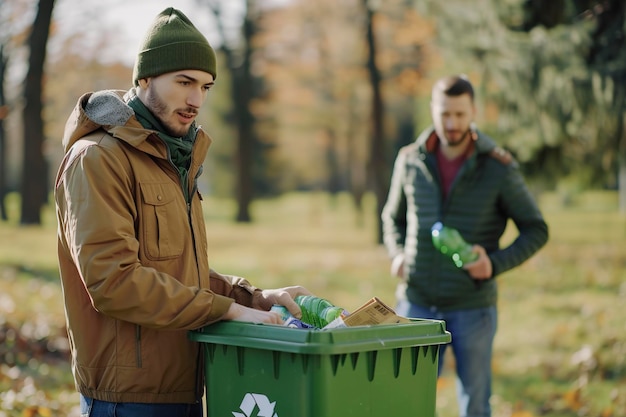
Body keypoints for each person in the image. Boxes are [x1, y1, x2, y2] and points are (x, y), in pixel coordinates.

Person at [54, 8, 311, 417]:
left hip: (186, 388)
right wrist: (226, 309)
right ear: (144, 79)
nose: (197, 100)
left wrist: (254, 299)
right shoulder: (98, 159)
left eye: (206, 86)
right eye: (185, 82)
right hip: (126, 400)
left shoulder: (173, 158)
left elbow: (173, 270)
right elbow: (114, 281)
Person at [381, 75, 548, 417]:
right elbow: (392, 218)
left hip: (473, 306)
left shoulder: (498, 168)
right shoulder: (409, 160)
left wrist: (495, 264)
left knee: (475, 405)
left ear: (473, 111)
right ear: (433, 110)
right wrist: (397, 253)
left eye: (460, 114)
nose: (452, 123)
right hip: (416, 304)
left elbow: (536, 229)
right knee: (408, 402)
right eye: (445, 113)